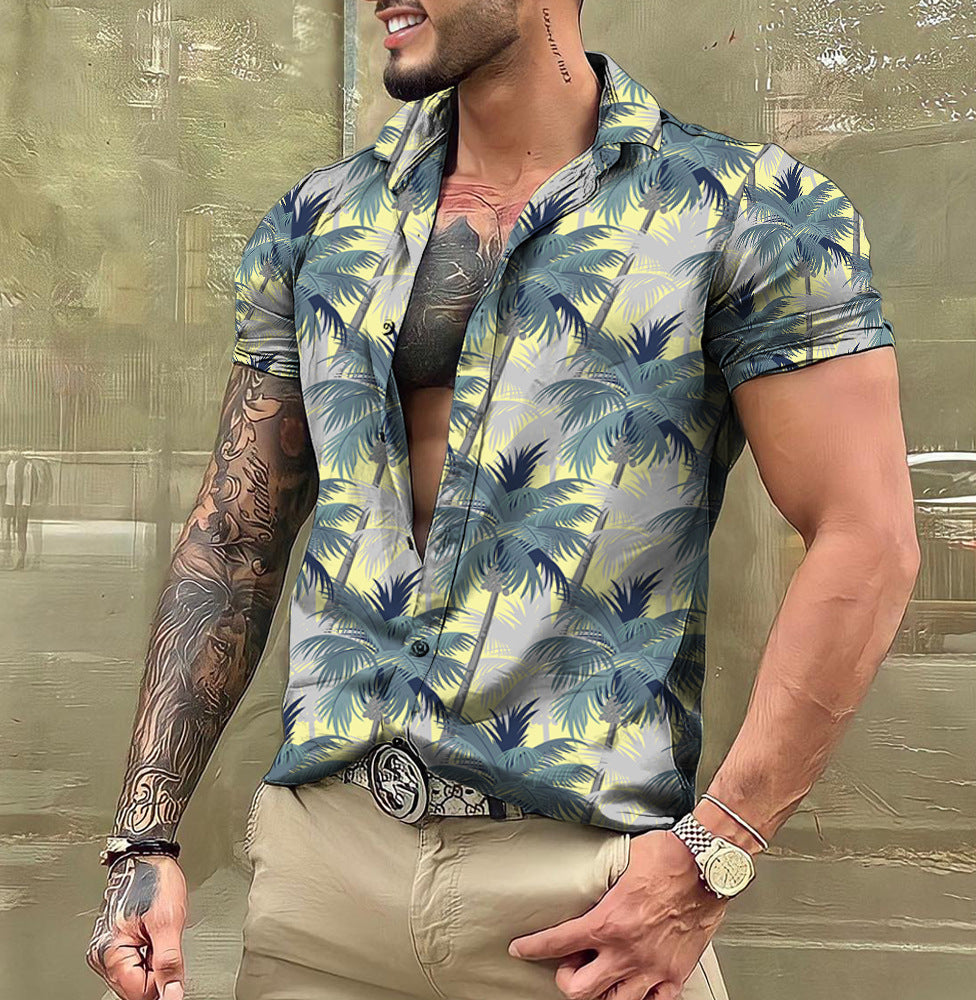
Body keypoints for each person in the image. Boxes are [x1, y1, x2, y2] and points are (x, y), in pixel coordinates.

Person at [86, 3, 920, 1000]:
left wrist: (715, 854)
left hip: (586, 908)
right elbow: (234, 537)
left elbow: (867, 537)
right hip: (323, 890)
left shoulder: (748, 210)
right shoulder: (318, 222)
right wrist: (142, 839)